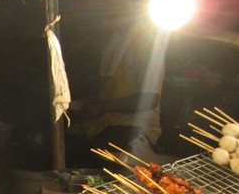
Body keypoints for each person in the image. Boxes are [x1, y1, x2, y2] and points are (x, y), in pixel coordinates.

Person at [72, 13, 169, 163]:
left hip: (133, 129)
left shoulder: (148, 44)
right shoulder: (115, 41)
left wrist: (102, 106)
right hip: (105, 125)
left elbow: (150, 99)